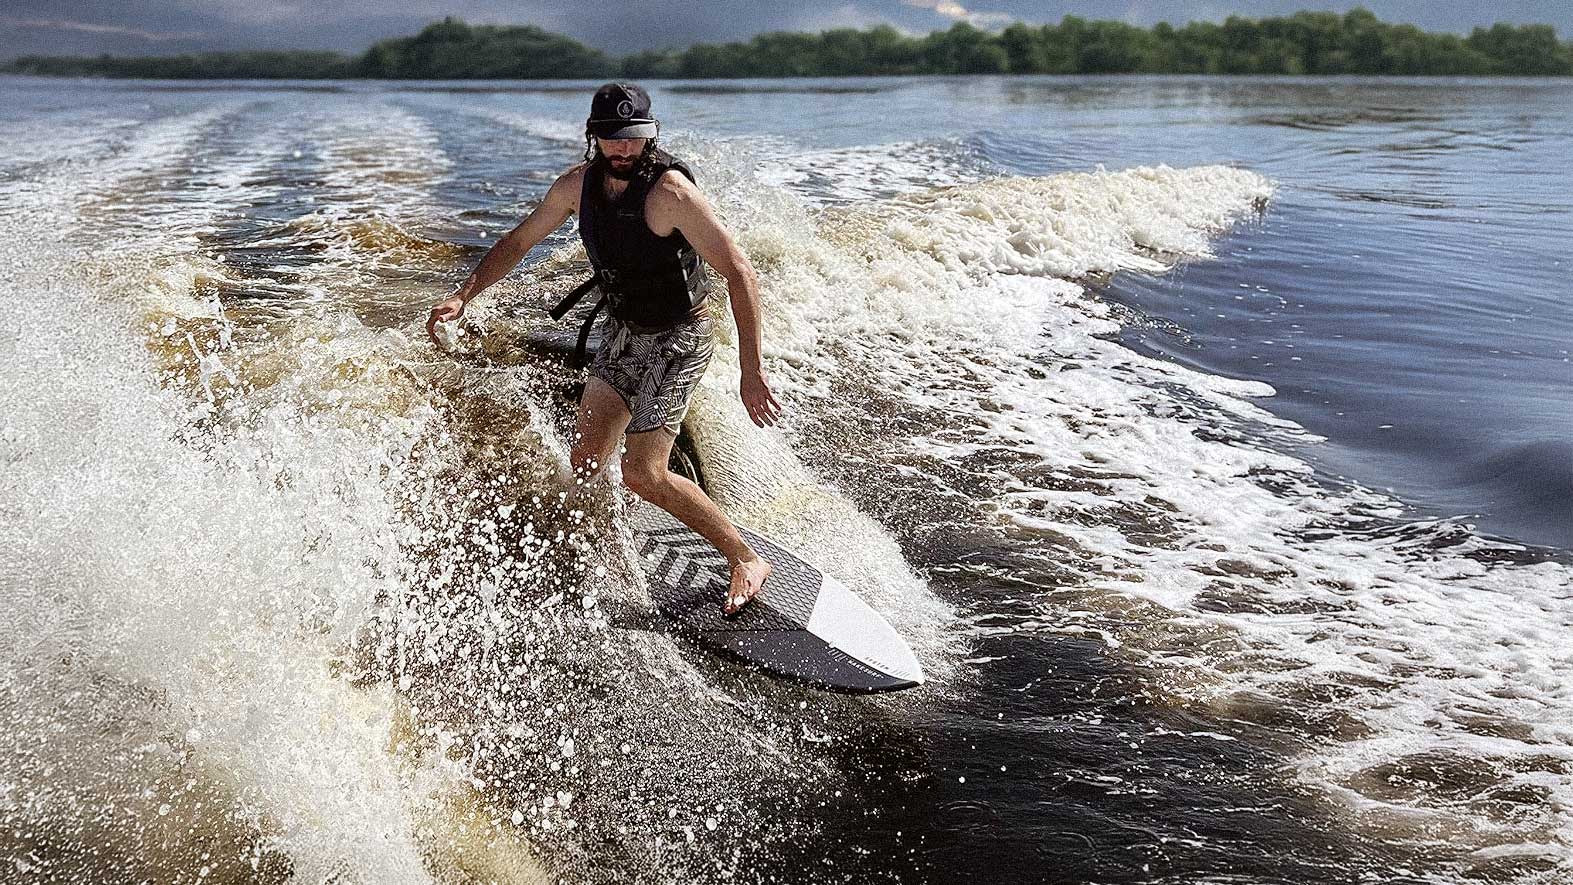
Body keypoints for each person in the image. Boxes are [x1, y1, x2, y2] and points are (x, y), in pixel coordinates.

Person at [426, 82, 780, 615]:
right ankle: (621, 533)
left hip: (678, 339)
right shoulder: (575, 187)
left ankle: (743, 556)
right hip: (622, 332)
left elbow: (740, 273)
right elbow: (520, 242)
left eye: (633, 139)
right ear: (594, 137)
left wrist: (751, 372)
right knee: (588, 458)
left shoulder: (671, 194)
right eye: (612, 139)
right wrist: (463, 295)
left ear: (650, 136)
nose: (623, 150)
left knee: (642, 473)